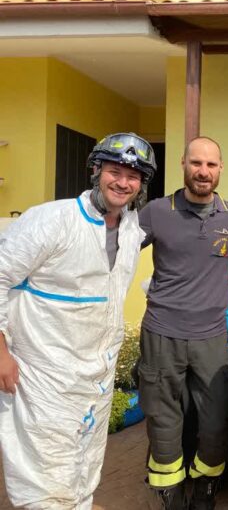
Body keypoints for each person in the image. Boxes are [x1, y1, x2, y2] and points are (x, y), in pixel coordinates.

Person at [0, 132, 157, 509]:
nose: (123, 182)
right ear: (95, 170)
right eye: (115, 171)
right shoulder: (50, 220)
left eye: (133, 176)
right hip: (42, 376)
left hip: (95, 381)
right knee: (43, 483)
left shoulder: (133, 229)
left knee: (83, 473)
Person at [138, 136, 228, 509]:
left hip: (211, 337)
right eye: (196, 163)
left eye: (211, 165)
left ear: (220, 169)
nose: (203, 172)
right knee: (163, 419)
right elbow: (112, 243)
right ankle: (170, 496)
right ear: (184, 163)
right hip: (161, 333)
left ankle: (205, 493)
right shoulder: (155, 211)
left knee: (215, 421)